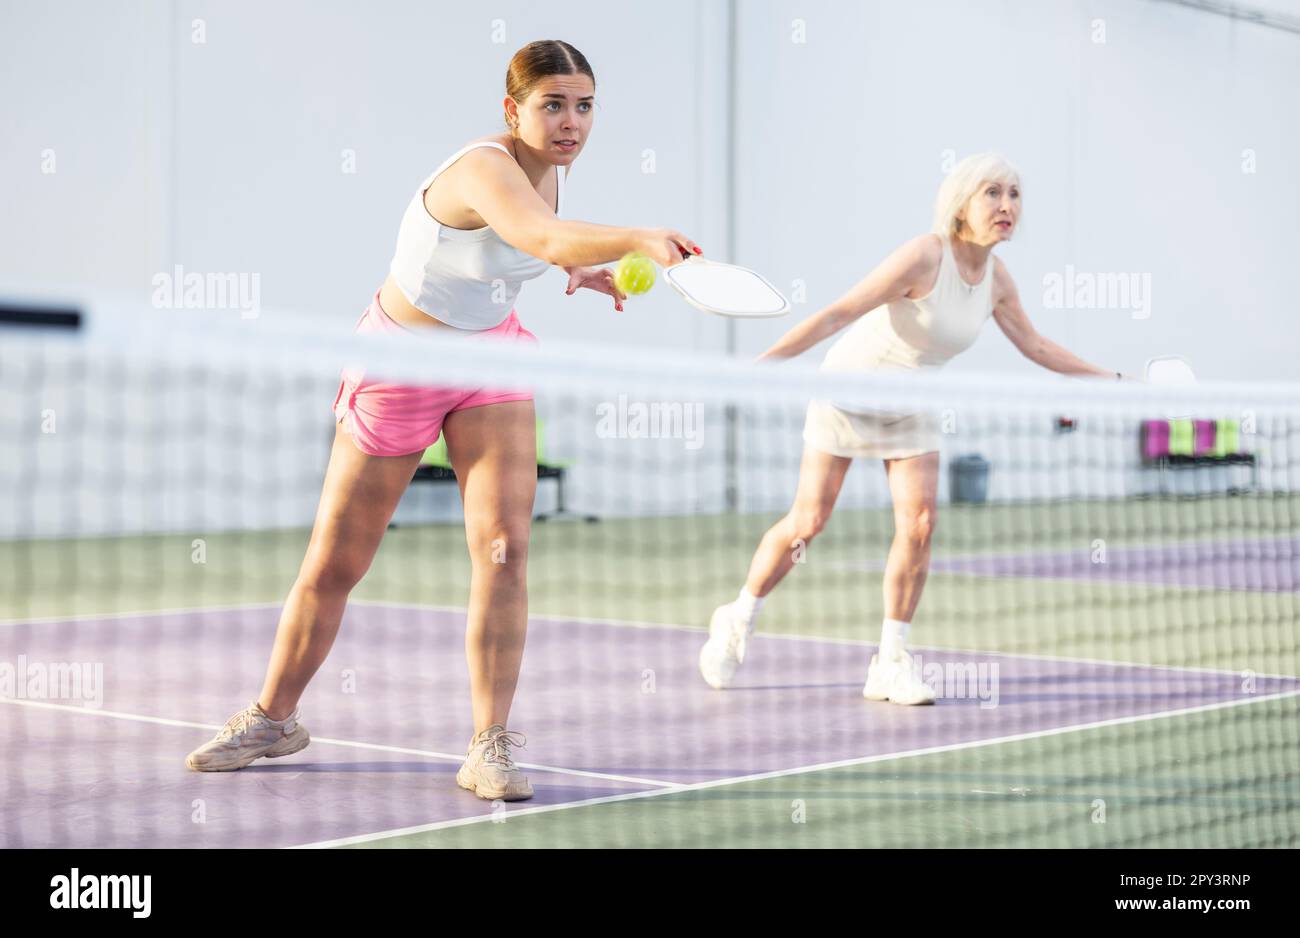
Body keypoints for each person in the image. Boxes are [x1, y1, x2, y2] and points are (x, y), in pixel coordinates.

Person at [187, 39, 700, 801]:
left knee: (504, 549)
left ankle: (488, 744)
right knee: (336, 563)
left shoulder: (552, 172)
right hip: (401, 366)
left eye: (584, 105)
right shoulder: (482, 167)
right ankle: (273, 717)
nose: (571, 122)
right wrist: (632, 239)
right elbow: (536, 234)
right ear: (511, 109)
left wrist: (577, 271)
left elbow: (521, 249)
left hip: (492, 362)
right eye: (552, 104)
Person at [698, 153, 1122, 704]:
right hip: (848, 392)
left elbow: (1037, 346)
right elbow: (839, 313)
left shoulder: (997, 281)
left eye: (1014, 194)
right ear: (962, 203)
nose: (1007, 205)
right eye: (992, 193)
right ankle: (738, 616)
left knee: (920, 524)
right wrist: (761, 370)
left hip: (913, 403)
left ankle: (891, 661)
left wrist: (1114, 379)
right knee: (808, 521)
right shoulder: (925, 255)